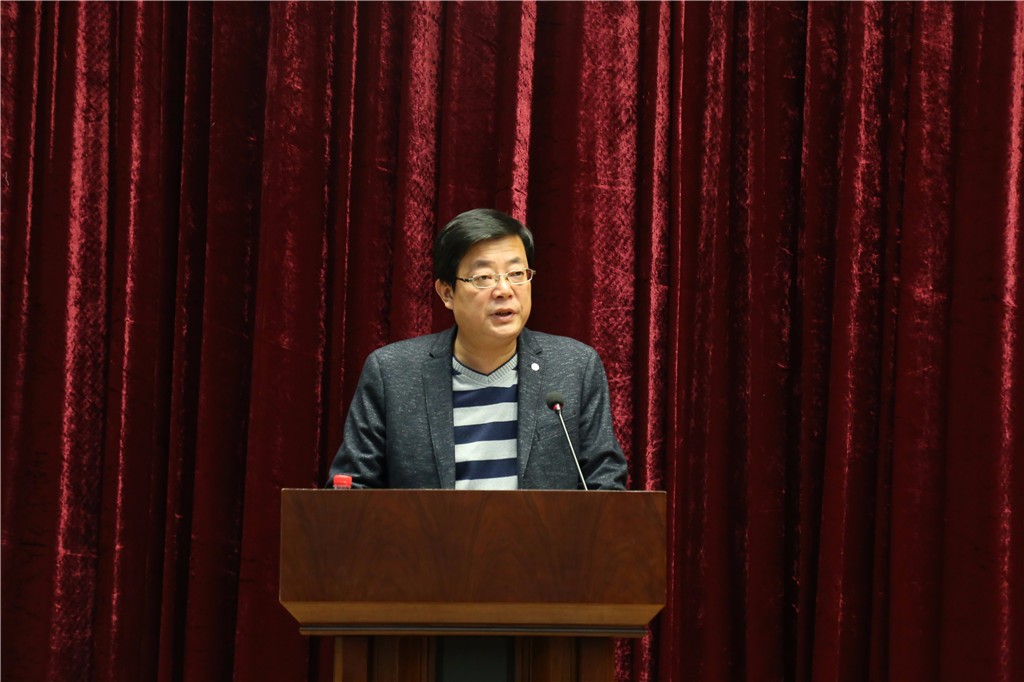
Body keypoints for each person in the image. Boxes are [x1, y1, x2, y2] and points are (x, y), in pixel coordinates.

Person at [326, 208, 627, 490]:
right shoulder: (392, 374)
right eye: (484, 277)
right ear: (447, 293)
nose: (504, 290)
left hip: (545, 533)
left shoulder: (575, 367)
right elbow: (353, 491)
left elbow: (606, 485)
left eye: (516, 274)